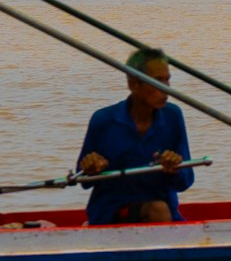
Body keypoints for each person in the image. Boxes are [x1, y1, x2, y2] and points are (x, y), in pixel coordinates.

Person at [77, 47, 195, 224]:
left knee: (160, 209)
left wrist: (175, 168)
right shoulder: (103, 120)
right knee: (158, 210)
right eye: (157, 81)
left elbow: (185, 182)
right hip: (111, 212)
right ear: (134, 85)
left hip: (164, 211)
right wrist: (91, 167)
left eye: (167, 80)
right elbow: (84, 180)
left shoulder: (173, 117)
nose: (166, 89)